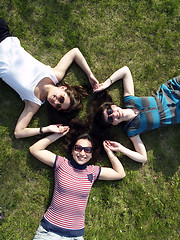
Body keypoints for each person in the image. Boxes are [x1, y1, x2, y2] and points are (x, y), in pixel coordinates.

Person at [0, 18, 98, 138]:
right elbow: (75, 52)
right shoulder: (55, 74)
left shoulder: (33, 103)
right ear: (62, 88)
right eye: (61, 99)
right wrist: (90, 75)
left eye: (58, 106)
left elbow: (18, 132)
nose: (56, 102)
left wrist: (46, 129)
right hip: (4, 37)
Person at [29, 126, 126, 240]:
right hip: (49, 231)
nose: (82, 153)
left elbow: (120, 173)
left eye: (87, 150)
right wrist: (58, 135)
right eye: (78, 148)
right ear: (72, 150)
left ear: (91, 154)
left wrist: (109, 151)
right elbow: (34, 149)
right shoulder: (61, 164)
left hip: (75, 236)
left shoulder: (92, 172)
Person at [93, 66, 180, 163]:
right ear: (114, 124)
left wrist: (106, 84)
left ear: (113, 106)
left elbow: (125, 71)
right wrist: (121, 148)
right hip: (176, 112)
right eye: (110, 119)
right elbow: (143, 158)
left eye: (109, 111)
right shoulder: (132, 130)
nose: (113, 115)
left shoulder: (129, 100)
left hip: (172, 90)